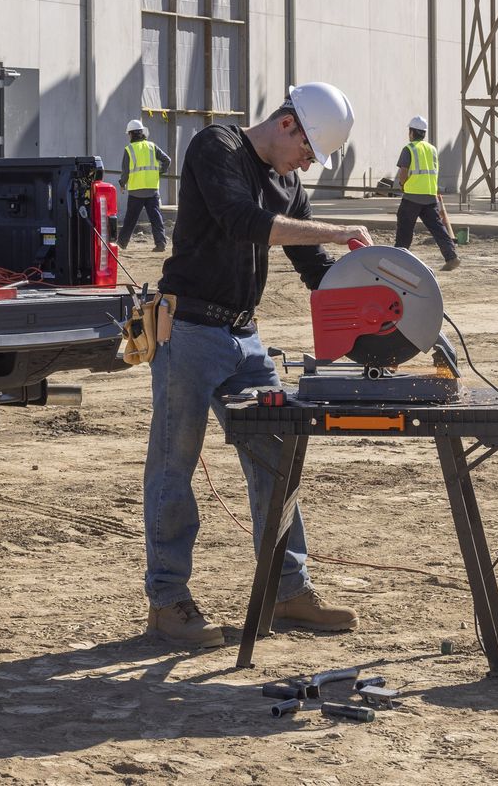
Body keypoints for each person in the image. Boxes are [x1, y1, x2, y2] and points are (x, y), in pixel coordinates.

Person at [144, 82, 370, 647]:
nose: (306, 166)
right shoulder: (214, 147)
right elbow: (242, 220)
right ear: (288, 123)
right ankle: (168, 602)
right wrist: (340, 230)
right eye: (308, 153)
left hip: (244, 338)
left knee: (277, 458)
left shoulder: (289, 184)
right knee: (175, 466)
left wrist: (376, 312)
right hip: (189, 331)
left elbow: (314, 268)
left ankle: (288, 591)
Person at [394, 115, 461, 271]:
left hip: (412, 197)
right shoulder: (432, 149)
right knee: (438, 229)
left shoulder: (409, 149)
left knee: (404, 229)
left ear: (411, 132)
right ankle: (451, 257)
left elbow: (403, 173)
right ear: (423, 133)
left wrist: (402, 185)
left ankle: (397, 260)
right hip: (430, 196)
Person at [118, 119, 172, 251]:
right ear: (142, 133)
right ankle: (160, 244)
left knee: (130, 219)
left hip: (136, 191)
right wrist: (159, 171)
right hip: (152, 189)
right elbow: (167, 160)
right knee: (156, 218)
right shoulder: (152, 146)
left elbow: (125, 172)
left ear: (131, 134)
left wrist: (122, 184)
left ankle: (122, 243)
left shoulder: (129, 149)